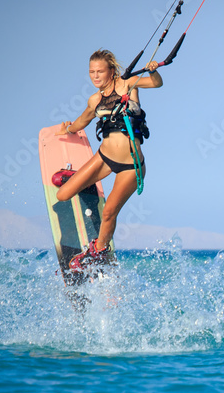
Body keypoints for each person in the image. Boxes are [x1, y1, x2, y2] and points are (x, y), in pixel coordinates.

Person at [54, 49, 162, 270]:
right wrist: (68, 129)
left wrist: (154, 71)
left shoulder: (128, 84)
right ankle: (80, 179)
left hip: (130, 167)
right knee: (62, 195)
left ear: (111, 71)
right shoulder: (95, 100)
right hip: (104, 158)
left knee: (109, 211)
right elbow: (82, 121)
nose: (95, 76)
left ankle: (98, 251)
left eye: (99, 71)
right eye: (92, 72)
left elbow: (156, 84)